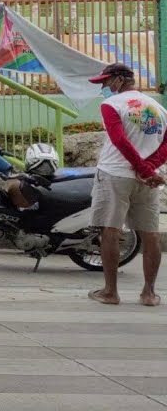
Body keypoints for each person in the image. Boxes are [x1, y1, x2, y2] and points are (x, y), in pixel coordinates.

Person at [86, 63, 166, 307]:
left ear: (120, 80)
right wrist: (149, 168)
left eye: (106, 82)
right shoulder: (158, 107)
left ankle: (111, 292)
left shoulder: (112, 105)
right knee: (149, 233)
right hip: (149, 180)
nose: (104, 87)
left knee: (110, 229)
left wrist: (142, 168)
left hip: (115, 174)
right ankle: (149, 294)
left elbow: (118, 140)